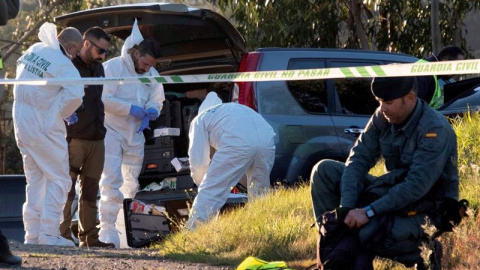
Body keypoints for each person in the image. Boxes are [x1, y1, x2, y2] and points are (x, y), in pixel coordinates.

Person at [310, 76, 459, 269]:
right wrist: (346, 211)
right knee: (324, 171)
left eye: (388, 102)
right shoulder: (383, 116)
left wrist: (368, 212)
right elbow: (358, 159)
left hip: (430, 206)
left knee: (369, 232)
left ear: (411, 98)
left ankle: (426, 251)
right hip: (392, 192)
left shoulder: (434, 129)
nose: (383, 108)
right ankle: (338, 252)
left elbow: (416, 187)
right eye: (379, 102)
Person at [13, 23, 84, 246]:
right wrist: (60, 113)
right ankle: (49, 234)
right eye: (77, 51)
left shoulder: (34, 50)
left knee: (35, 181)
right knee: (60, 179)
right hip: (43, 126)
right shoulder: (64, 65)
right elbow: (75, 96)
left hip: (21, 123)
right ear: (71, 47)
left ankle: (32, 235)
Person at [98, 20, 165, 248]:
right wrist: (129, 109)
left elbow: (157, 97)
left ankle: (125, 233)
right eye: (145, 63)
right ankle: (107, 234)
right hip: (112, 132)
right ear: (135, 53)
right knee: (110, 182)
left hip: (135, 134)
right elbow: (103, 99)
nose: (147, 69)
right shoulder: (112, 68)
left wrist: (153, 110)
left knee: (131, 185)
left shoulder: (152, 72)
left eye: (150, 66)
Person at [185, 91, 276, 230]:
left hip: (238, 142)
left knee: (210, 192)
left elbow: (198, 162)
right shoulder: (231, 110)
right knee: (259, 191)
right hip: (267, 140)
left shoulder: (199, 120)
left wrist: (202, 182)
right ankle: (263, 230)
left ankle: (193, 236)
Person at [59, 27, 115, 248]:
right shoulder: (69, 66)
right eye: (101, 50)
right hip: (74, 138)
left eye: (106, 52)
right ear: (86, 44)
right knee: (67, 189)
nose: (103, 56)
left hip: (97, 137)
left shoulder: (99, 68)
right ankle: (61, 237)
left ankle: (89, 238)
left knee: (91, 191)